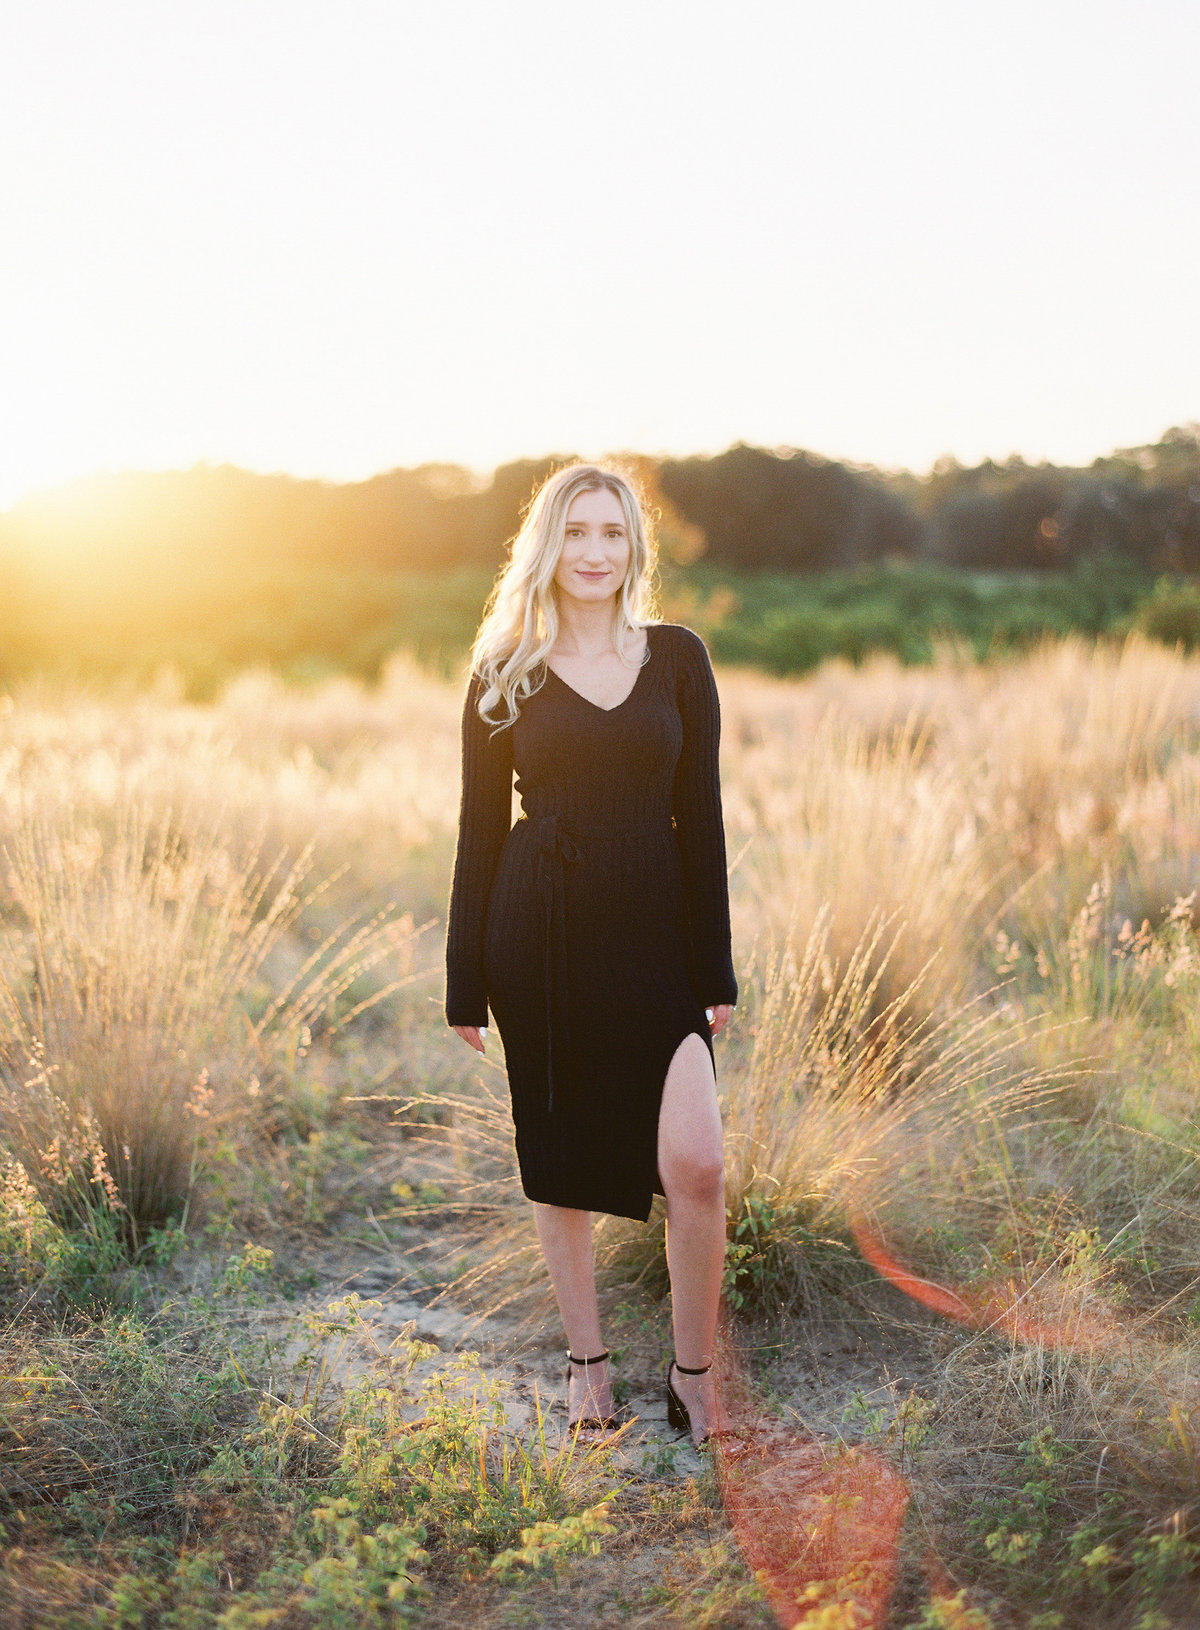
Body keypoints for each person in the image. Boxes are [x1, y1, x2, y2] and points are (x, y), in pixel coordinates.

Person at [445, 461, 737, 1446]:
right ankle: (587, 1369)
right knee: (560, 1158)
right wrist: (463, 984)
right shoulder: (504, 667)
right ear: (547, 546)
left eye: (612, 533)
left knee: (699, 1164)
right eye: (576, 534)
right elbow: (479, 831)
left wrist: (716, 970)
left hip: (656, 931)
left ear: (634, 548)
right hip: (544, 931)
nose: (595, 553)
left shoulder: (677, 658)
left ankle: (694, 1375)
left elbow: (700, 816)